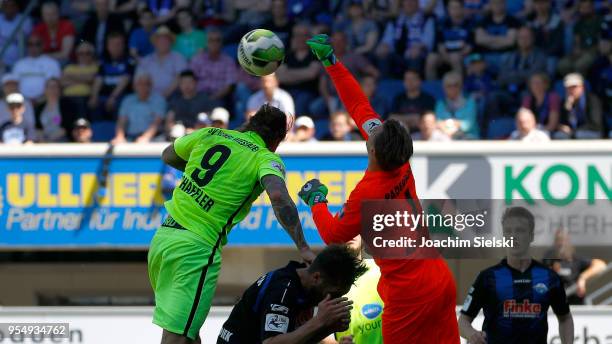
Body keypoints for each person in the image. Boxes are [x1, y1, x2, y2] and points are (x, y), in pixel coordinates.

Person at [303, 34, 458, 343]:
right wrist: (331, 62)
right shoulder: (400, 160)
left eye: (374, 132)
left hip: (408, 294)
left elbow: (334, 236)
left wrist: (317, 201)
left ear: (373, 150)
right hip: (440, 278)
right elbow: (359, 105)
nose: (371, 127)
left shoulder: (366, 192)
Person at [149, 104, 316, 344]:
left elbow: (168, 154)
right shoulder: (265, 157)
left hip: (163, 240)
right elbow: (278, 196)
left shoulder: (211, 134)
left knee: (188, 331)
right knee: (176, 337)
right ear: (278, 139)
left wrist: (208, 178)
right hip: (195, 250)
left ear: (250, 122)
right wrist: (303, 247)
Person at [459, 207, 574, 344]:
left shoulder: (549, 277)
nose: (513, 236)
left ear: (531, 236)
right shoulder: (488, 277)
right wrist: (472, 334)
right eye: (508, 231)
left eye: (520, 231)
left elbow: (565, 318)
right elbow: (463, 321)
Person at [217, 244, 365, 343]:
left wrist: (328, 327)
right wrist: (319, 321)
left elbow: (297, 339)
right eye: (332, 294)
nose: (331, 299)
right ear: (316, 277)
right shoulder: (283, 289)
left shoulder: (308, 287)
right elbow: (271, 342)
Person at [321, 236, 383, 344]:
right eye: (345, 230)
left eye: (354, 229)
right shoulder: (326, 281)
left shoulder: (382, 270)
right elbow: (320, 332)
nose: (350, 234)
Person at [544, 229, 607, 305]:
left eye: (564, 240)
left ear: (569, 242)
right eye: (559, 240)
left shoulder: (577, 260)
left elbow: (601, 265)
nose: (561, 244)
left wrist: (582, 278)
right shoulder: (549, 260)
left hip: (576, 306)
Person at [376, 0, 435, 76]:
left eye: (412, 1)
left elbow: (428, 41)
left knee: (415, 55)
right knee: (382, 54)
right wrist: (384, 46)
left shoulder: (427, 19)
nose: (409, 3)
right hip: (397, 55)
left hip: (417, 55)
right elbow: (387, 39)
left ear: (417, 3)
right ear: (402, 3)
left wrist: (419, 47)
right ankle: (385, 85)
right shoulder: (395, 20)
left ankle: (413, 84)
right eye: (405, 1)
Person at [275, 23, 321, 116]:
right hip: (286, 92)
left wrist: (289, 73)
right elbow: (280, 77)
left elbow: (312, 74)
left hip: (308, 92)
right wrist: (303, 73)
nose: (301, 38)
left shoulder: (315, 54)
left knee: (300, 103)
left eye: (304, 35)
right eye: (297, 35)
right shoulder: (287, 56)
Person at [89, 31, 134, 121]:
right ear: (108, 46)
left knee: (119, 104)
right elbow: (99, 79)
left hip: (121, 96)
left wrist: (113, 97)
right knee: (93, 104)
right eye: (113, 44)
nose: (116, 47)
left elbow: (125, 81)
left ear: (123, 45)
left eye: (119, 44)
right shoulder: (104, 61)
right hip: (104, 95)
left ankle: (118, 133)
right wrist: (94, 96)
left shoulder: (129, 61)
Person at [425, 0, 473, 80]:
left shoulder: (469, 23)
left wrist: (458, 55)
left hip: (462, 55)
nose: (455, 10)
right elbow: (440, 44)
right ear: (448, 9)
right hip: (445, 54)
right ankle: (432, 87)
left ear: (462, 9)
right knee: (431, 59)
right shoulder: (442, 23)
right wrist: (446, 56)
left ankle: (459, 87)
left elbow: (470, 46)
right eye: (452, 8)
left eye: (457, 7)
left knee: (455, 58)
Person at [113, 73, 166, 143]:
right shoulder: (128, 100)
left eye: (146, 84)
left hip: (154, 139)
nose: (143, 87)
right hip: (130, 138)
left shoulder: (159, 100)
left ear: (151, 86)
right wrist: (120, 137)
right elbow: (121, 121)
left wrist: (146, 137)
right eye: (140, 84)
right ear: (134, 86)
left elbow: (157, 122)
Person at [136, 26, 187, 98]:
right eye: (160, 40)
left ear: (170, 42)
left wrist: (164, 95)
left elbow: (180, 78)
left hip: (174, 96)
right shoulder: (145, 60)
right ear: (155, 43)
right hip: (149, 96)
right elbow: (139, 80)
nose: (163, 42)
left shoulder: (178, 57)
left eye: (166, 40)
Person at [190, 28, 238, 102]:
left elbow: (229, 85)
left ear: (221, 43)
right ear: (206, 43)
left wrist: (213, 98)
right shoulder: (197, 59)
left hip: (220, 97)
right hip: (199, 96)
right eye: (211, 40)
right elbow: (190, 80)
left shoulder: (228, 61)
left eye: (217, 40)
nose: (214, 43)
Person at [166, 70, 219, 136]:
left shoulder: (204, 98)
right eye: (184, 82)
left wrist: (196, 130)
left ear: (195, 83)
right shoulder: (175, 100)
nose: (187, 85)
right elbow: (169, 120)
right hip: (180, 136)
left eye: (190, 82)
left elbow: (211, 119)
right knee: (177, 130)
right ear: (179, 85)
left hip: (201, 134)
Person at [558, 0, 602, 76]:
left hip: (594, 51)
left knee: (580, 65)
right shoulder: (579, 22)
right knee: (563, 65)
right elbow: (577, 39)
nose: (585, 10)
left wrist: (591, 50)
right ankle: (569, 84)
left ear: (593, 7)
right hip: (581, 50)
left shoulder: (600, 20)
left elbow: (601, 41)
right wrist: (577, 49)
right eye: (582, 8)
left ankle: (580, 86)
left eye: (587, 7)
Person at [497, 26, 547, 94]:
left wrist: (514, 75)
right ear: (517, 39)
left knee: (525, 95)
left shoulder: (539, 56)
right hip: (509, 90)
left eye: (527, 37)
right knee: (495, 96)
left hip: (528, 91)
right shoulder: (510, 56)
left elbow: (533, 75)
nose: (524, 40)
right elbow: (502, 76)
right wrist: (520, 76)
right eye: (521, 37)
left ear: (533, 38)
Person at [12, 34, 61, 102]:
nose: (33, 47)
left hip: (45, 101)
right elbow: (13, 85)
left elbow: (54, 86)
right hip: (21, 102)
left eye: (37, 44)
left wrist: (41, 99)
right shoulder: (19, 64)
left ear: (43, 45)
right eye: (30, 44)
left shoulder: (52, 63)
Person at [474, 0, 520, 68]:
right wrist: (501, 39)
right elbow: (479, 39)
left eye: (500, 2)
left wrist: (488, 39)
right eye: (494, 3)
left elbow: (510, 41)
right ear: (490, 5)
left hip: (506, 55)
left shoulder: (512, 21)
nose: (497, 5)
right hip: (485, 55)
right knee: (474, 60)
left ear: (504, 4)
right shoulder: (483, 21)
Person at [558, 73, 604, 139]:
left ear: (582, 87)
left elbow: (595, 124)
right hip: (573, 133)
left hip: (591, 132)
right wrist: (567, 110)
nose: (571, 90)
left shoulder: (592, 100)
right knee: (559, 135)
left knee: (579, 134)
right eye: (569, 88)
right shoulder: (565, 102)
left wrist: (574, 131)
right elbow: (563, 123)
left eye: (574, 87)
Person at [435, 71, 479, 139]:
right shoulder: (440, 103)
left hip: (468, 136)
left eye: (455, 85)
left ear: (461, 86)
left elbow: (468, 125)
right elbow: (439, 122)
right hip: (446, 135)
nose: (452, 88)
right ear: (444, 88)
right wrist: (454, 126)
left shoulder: (470, 101)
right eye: (449, 86)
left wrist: (451, 124)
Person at [62, 41, 99, 119]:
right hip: (66, 98)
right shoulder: (70, 67)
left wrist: (71, 77)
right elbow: (62, 82)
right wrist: (84, 80)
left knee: (80, 109)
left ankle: (80, 129)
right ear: (77, 54)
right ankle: (58, 126)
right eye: (81, 53)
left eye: (87, 53)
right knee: (58, 109)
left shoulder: (96, 66)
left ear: (92, 55)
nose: (84, 56)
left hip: (83, 99)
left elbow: (91, 79)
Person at [34, 78, 70, 142]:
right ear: (45, 89)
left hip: (61, 139)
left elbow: (67, 127)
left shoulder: (66, 105)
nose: (52, 89)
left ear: (59, 89)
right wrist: (42, 139)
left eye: (55, 87)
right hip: (43, 140)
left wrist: (50, 140)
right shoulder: (40, 107)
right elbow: (38, 127)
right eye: (50, 87)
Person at [0, 0, 32, 68]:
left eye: (12, 6)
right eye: (6, 6)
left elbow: (25, 41)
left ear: (17, 7)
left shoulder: (25, 19)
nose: (9, 9)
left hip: (19, 61)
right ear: (2, 7)